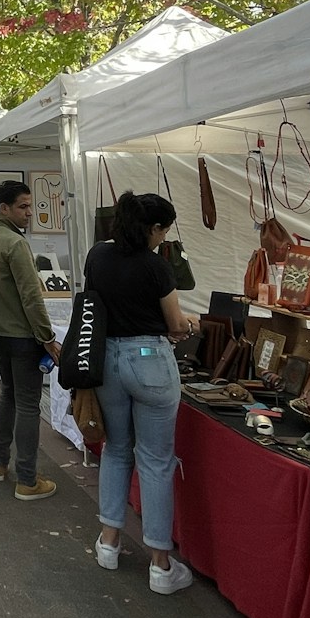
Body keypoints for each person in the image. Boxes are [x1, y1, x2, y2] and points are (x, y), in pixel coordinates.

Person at [88, 190, 196, 594]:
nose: (163, 237)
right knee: (155, 461)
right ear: (153, 229)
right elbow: (175, 324)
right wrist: (191, 324)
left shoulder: (98, 255)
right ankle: (160, 564)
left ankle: (109, 543)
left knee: (116, 450)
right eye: (164, 230)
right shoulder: (156, 267)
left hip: (108, 360)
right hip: (149, 358)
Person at [0, 179, 60, 501]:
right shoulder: (14, 244)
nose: (29, 213)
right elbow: (31, 296)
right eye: (23, 206)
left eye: (30, 206)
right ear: (3, 208)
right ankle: (27, 478)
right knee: (28, 404)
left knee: (9, 394)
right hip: (20, 336)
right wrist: (47, 337)